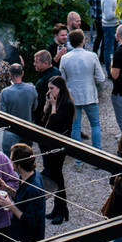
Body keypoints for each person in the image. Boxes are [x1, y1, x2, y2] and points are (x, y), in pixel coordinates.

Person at [59, 29, 106, 149]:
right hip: (90, 94)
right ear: (83, 41)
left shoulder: (64, 58)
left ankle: (78, 160)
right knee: (95, 125)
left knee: (75, 127)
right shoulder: (92, 56)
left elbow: (62, 80)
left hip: (73, 96)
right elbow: (101, 78)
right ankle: (98, 154)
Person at [36, 75, 73, 223]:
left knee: (57, 177)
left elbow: (53, 125)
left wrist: (52, 107)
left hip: (57, 148)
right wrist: (46, 107)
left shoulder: (66, 105)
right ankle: (59, 209)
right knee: (55, 176)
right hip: (47, 146)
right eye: (48, 88)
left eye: (52, 88)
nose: (49, 92)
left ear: (60, 88)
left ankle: (62, 210)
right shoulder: (55, 102)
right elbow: (41, 122)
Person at [0, 63, 37, 154]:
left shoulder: (5, 92)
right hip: (27, 129)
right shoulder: (32, 89)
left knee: (10, 159)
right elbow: (35, 107)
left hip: (11, 132)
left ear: (10, 75)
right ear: (22, 73)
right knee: (26, 159)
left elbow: (2, 113)